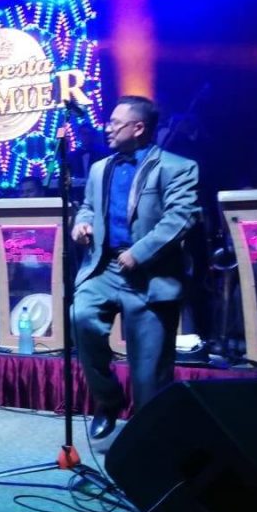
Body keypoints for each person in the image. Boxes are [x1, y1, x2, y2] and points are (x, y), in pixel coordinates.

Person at [71, 95, 200, 440]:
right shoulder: (100, 168)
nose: (108, 128)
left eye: (116, 123)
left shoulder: (177, 167)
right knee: (81, 316)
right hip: (104, 268)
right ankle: (108, 400)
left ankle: (151, 443)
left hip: (151, 274)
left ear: (139, 127)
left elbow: (180, 218)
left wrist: (140, 253)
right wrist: (81, 224)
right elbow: (87, 207)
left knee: (148, 375)